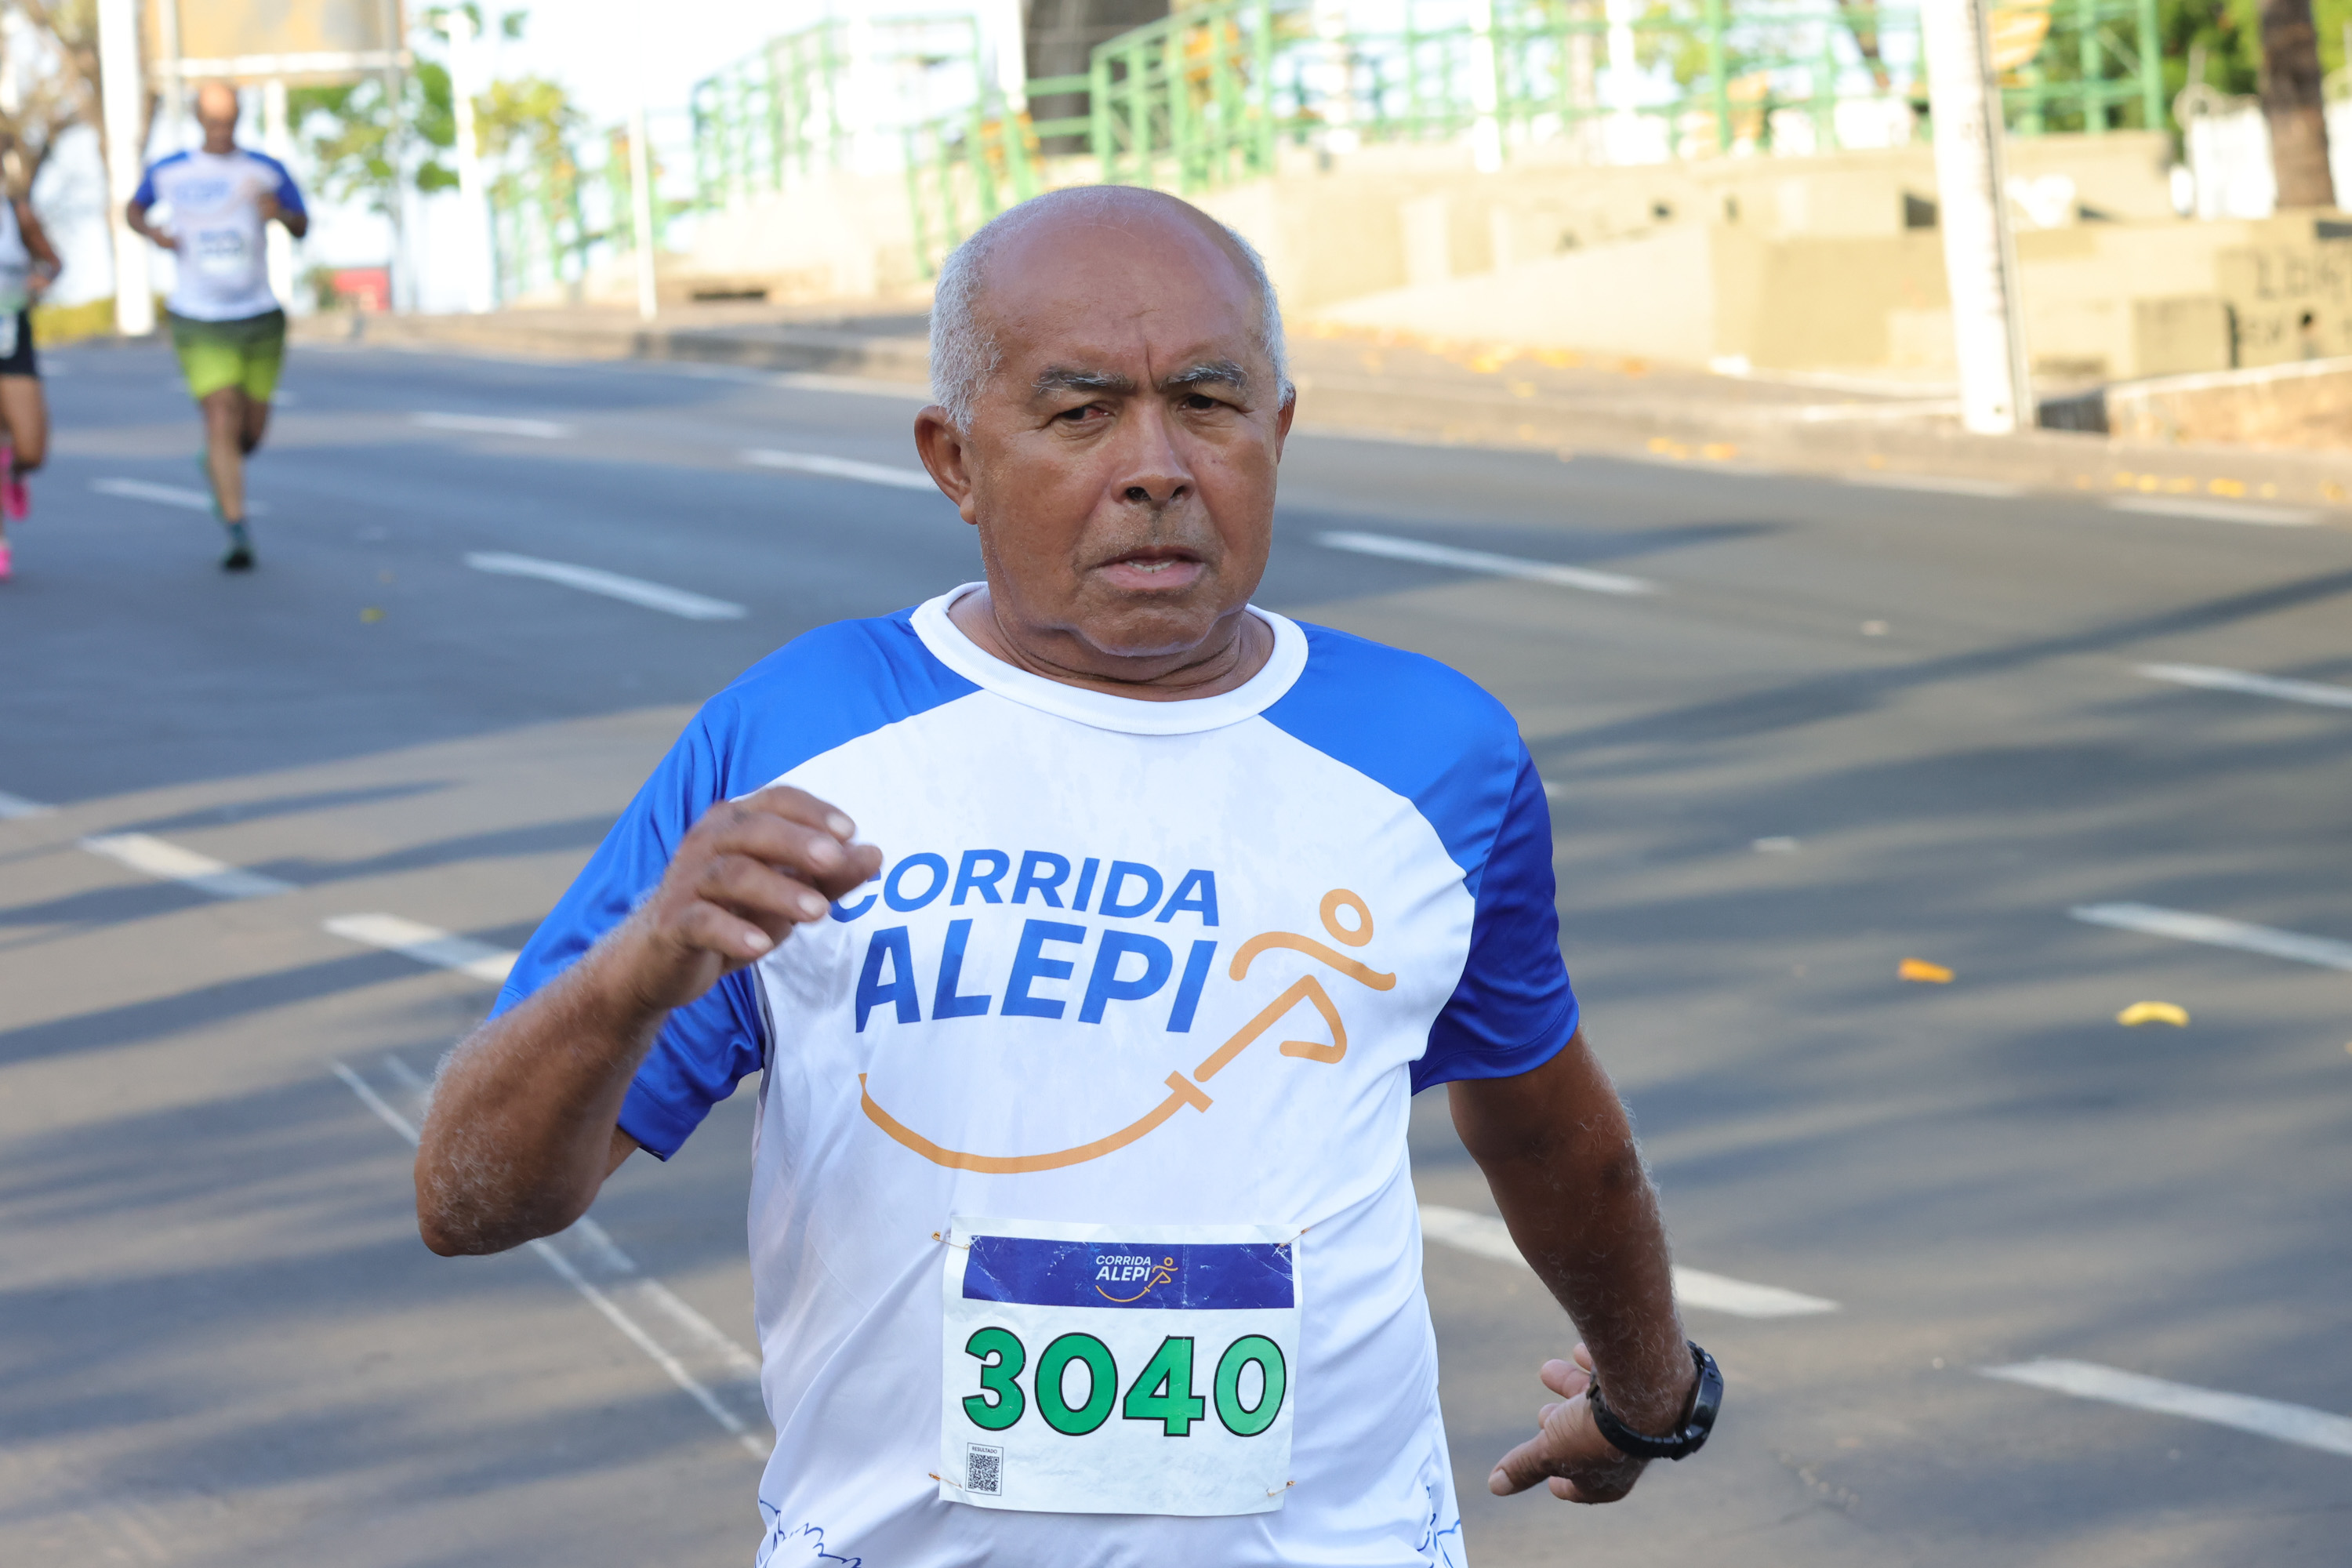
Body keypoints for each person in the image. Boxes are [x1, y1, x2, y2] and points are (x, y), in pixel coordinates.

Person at [416, 185, 1719, 1566]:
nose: (1156, 467)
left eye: (1207, 404)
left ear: (1277, 432)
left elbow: (1545, 1127)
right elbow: (471, 1201)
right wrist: (629, 981)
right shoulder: (796, 735)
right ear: (956, 460)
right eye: (1081, 412)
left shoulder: (1438, 752)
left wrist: (1650, 1396)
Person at [125, 82, 308, 572]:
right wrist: (153, 233)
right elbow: (133, 209)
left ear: (240, 117)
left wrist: (280, 214)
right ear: (198, 119)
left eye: (229, 121)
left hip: (259, 315)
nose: (222, 131)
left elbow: (302, 224)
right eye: (213, 122)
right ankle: (236, 527)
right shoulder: (170, 170)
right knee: (220, 414)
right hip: (198, 316)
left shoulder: (265, 169)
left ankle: (218, 459)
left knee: (250, 432)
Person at [0, 177, 61, 582]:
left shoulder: (16, 214)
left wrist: (42, 278)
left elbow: (54, 263)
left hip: (11, 339)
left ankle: (15, 472)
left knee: (32, 450)